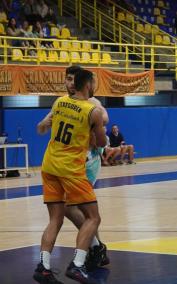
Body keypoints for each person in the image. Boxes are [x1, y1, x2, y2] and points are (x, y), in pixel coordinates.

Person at [33, 69, 106, 284]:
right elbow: (101, 143)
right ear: (88, 85)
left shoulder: (59, 102)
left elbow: (45, 127)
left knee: (55, 219)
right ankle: (78, 264)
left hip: (49, 165)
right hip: (71, 170)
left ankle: (43, 267)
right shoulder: (92, 111)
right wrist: (94, 131)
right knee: (93, 217)